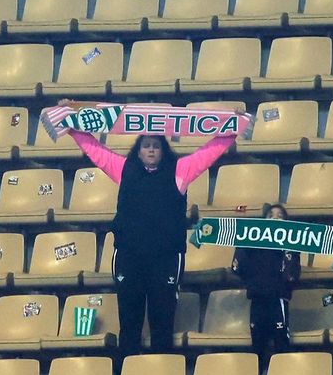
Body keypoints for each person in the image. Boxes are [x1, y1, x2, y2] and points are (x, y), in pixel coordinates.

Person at [55, 103, 241, 355]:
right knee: (129, 321)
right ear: (139, 150)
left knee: (162, 321)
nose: (151, 149)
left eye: (156, 145)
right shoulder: (122, 168)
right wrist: (73, 126)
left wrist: (232, 129)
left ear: (163, 150)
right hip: (129, 257)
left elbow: (209, 152)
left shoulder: (180, 171)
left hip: (165, 259)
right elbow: (94, 150)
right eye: (146, 145)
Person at [233, 202, 302, 364]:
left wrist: (288, 246)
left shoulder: (291, 244)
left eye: (280, 216)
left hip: (278, 299)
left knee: (281, 344)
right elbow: (237, 267)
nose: (275, 219)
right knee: (257, 346)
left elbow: (292, 275)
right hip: (257, 299)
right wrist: (243, 241)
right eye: (270, 216)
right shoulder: (253, 246)